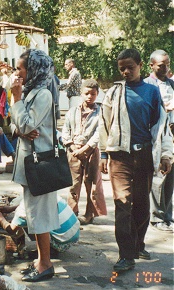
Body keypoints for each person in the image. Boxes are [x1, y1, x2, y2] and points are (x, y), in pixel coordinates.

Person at [99, 48, 173, 272]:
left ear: (141, 65)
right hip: (119, 157)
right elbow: (104, 124)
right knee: (123, 204)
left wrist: (166, 154)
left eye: (130, 67)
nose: (126, 71)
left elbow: (161, 128)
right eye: (122, 68)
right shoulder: (113, 92)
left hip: (144, 156)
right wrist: (103, 153)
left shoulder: (152, 92)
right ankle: (126, 255)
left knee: (141, 205)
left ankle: (137, 244)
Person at [10, 49, 59, 282]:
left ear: (34, 70)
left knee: (40, 216)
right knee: (34, 215)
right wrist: (20, 128)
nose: (16, 72)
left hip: (41, 163)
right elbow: (17, 125)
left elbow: (27, 125)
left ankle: (46, 265)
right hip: (30, 163)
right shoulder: (28, 93)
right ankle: (41, 261)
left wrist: (17, 101)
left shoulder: (42, 95)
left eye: (20, 68)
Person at [61, 79, 107, 225]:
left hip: (91, 152)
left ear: (97, 94)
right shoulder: (72, 111)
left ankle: (89, 214)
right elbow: (65, 130)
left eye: (93, 94)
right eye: (86, 93)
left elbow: (99, 133)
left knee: (91, 184)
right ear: (81, 93)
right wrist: (73, 147)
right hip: (73, 152)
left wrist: (85, 148)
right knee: (73, 184)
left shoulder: (101, 112)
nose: (89, 97)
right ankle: (72, 213)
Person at [0, 196, 80, 258]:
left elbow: (11, 229)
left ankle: (49, 251)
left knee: (32, 220)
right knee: (35, 217)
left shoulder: (23, 211)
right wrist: (11, 209)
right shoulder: (47, 193)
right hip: (74, 233)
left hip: (62, 242)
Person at [144, 49, 174, 231]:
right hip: (156, 136)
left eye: (168, 64)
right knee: (158, 175)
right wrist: (165, 109)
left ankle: (167, 215)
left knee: (170, 176)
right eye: (162, 65)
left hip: (172, 135)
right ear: (152, 65)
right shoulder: (147, 85)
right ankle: (156, 217)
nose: (166, 68)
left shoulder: (171, 84)